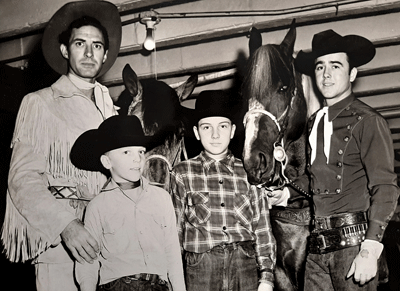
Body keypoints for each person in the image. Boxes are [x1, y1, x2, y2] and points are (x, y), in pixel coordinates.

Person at [1, 1, 121, 290]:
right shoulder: (39, 103)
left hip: (113, 246)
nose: (89, 53)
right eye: (80, 43)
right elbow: (22, 180)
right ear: (65, 51)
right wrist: (66, 226)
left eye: (97, 45)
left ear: (105, 55)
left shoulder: (114, 112)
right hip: (62, 247)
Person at [289, 29, 400, 290]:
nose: (326, 74)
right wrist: (285, 194)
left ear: (352, 74)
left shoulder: (368, 120)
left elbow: (385, 187)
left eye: (335, 66)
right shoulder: (315, 123)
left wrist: (370, 250)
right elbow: (315, 177)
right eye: (320, 67)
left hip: (353, 246)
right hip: (316, 246)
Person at [169, 90, 277, 291]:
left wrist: (267, 277)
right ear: (196, 132)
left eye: (223, 126)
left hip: (244, 263)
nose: (215, 135)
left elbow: (262, 227)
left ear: (233, 130)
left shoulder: (249, 171)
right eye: (207, 127)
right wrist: (175, 280)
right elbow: (175, 232)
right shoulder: (182, 173)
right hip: (201, 268)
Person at [70, 115, 185, 291]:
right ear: (106, 161)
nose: (137, 159)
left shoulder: (161, 198)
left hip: (158, 286)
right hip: (118, 285)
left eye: (140, 151)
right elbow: (88, 263)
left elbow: (173, 254)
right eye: (126, 152)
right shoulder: (98, 206)